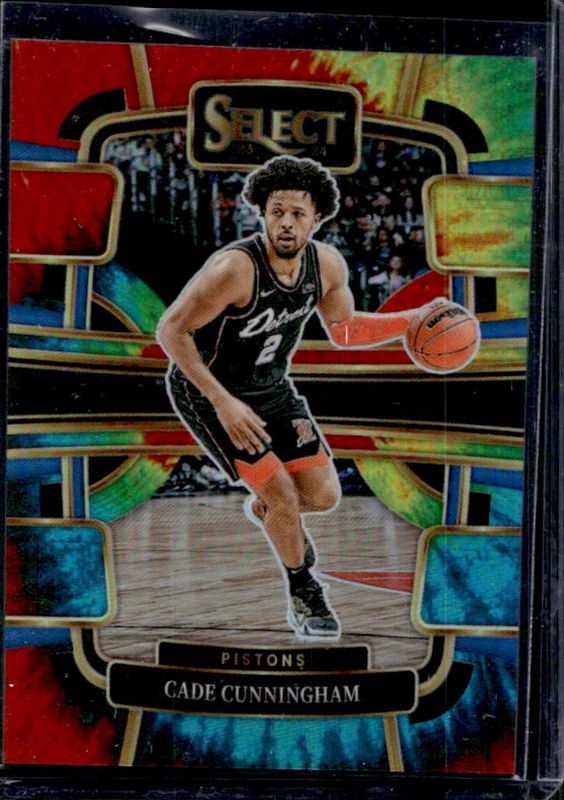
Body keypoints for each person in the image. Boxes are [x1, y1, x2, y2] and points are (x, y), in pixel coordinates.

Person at [157, 156, 436, 640]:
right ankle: (305, 590)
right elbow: (170, 331)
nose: (285, 222)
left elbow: (344, 330)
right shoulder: (234, 269)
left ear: (317, 217)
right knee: (282, 495)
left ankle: (272, 512)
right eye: (276, 212)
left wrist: (410, 320)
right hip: (209, 391)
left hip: (272, 387)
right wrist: (223, 401)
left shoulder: (325, 265)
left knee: (323, 497)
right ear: (263, 213)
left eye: (297, 213)